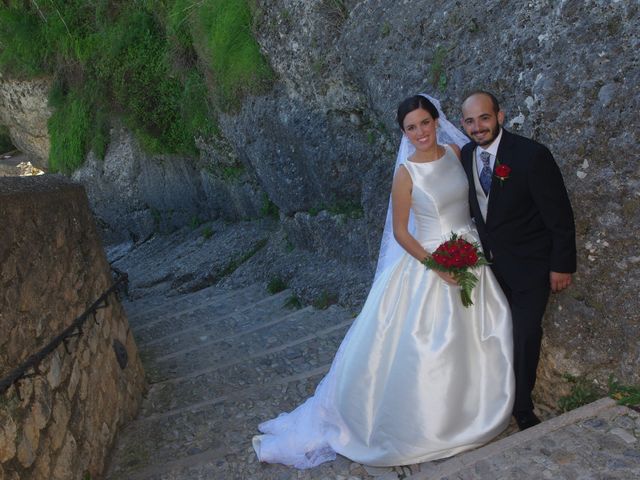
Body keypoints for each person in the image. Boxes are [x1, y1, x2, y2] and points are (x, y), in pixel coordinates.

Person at [252, 94, 515, 469]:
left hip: (471, 255)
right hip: (430, 262)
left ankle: (476, 411)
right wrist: (437, 265)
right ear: (404, 133)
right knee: (425, 348)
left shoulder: (458, 155)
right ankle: (427, 424)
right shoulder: (406, 173)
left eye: (425, 122)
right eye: (412, 127)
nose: (421, 131)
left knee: (480, 336)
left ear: (436, 121)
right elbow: (401, 233)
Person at [460, 91, 576, 430]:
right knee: (493, 334)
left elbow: (559, 215)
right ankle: (492, 398)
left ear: (500, 115)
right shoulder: (465, 155)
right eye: (470, 121)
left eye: (484, 117)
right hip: (489, 269)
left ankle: (522, 407)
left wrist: (562, 264)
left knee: (525, 334)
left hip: (531, 266)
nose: (478, 126)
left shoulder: (531, 156)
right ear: (462, 124)